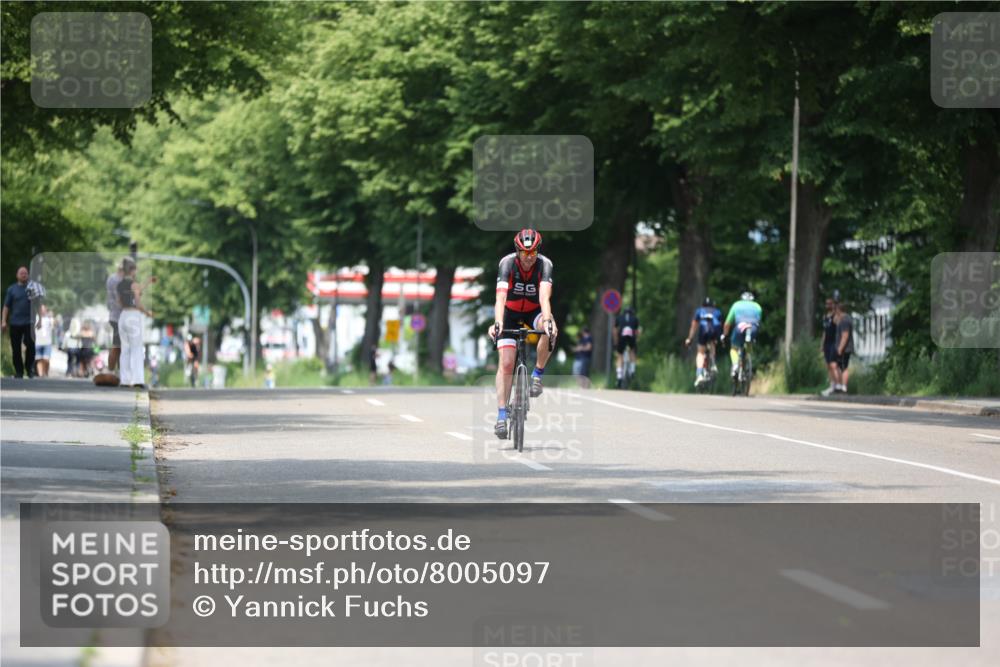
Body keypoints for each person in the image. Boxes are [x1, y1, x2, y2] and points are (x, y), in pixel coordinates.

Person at [488, 228, 557, 439]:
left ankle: (537, 374)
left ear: (538, 251)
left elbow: (545, 298)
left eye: (532, 253)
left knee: (551, 328)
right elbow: (500, 298)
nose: (528, 258)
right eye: (524, 253)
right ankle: (501, 415)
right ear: (517, 251)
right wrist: (498, 322)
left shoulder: (545, 264)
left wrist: (547, 322)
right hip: (509, 312)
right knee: (507, 363)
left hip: (534, 311)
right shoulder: (507, 263)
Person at [117, 263, 153, 387]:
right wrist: (147, 312)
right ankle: (138, 380)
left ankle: (125, 380)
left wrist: (147, 282)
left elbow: (119, 301)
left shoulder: (120, 285)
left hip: (123, 316)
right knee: (137, 349)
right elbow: (137, 301)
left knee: (125, 349)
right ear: (133, 271)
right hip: (133, 317)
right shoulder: (134, 284)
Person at [2, 266, 37, 378]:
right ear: (17, 275)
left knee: (31, 346)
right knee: (16, 348)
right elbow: (6, 307)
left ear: (28, 275)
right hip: (15, 323)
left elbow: (38, 304)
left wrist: (40, 319)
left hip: (29, 323)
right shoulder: (11, 289)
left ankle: (29, 369)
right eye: (21, 273)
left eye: (25, 273)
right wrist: (3, 321)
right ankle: (19, 371)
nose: (23, 275)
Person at [722, 290, 763, 380]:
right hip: (753, 328)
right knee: (749, 344)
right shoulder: (757, 306)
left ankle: (736, 365)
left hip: (740, 327)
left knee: (734, 348)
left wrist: (725, 335)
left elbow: (727, 323)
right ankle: (748, 361)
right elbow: (759, 322)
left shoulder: (736, 305)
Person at [685, 297, 723, 387]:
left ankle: (699, 375)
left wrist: (689, 338)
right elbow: (720, 326)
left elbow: (694, 326)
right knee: (712, 343)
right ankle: (713, 363)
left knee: (700, 353)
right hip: (714, 331)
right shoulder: (717, 312)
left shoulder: (699, 311)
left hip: (703, 330)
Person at [106, 258, 131, 373]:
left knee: (120, 345)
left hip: (114, 315)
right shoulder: (119, 280)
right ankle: (111, 371)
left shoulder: (111, 278)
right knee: (117, 345)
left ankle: (119, 372)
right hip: (119, 316)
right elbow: (120, 300)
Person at [613, 306, 640, 388]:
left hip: (621, 337)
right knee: (632, 350)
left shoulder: (619, 317)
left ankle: (619, 376)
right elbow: (637, 331)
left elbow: (614, 331)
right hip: (631, 337)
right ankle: (632, 370)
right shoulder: (635, 319)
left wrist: (616, 341)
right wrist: (636, 340)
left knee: (619, 355)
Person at [820, 296, 840, 396]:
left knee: (833, 365)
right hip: (827, 343)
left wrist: (835, 309)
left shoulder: (835, 316)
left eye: (829, 303)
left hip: (834, 342)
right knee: (828, 365)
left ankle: (838, 385)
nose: (827, 305)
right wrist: (822, 344)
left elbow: (839, 324)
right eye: (826, 303)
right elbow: (824, 331)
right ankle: (832, 385)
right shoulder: (825, 317)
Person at [834, 301, 855, 394]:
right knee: (839, 366)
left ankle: (844, 387)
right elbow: (834, 321)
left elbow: (845, 336)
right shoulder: (842, 319)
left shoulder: (845, 320)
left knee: (844, 367)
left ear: (839, 310)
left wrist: (840, 348)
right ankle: (840, 386)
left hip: (844, 349)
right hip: (843, 348)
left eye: (836, 309)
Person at [34, 304, 56, 377]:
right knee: (39, 359)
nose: (42, 311)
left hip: (47, 342)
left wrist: (52, 317)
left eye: (44, 310)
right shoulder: (35, 318)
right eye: (41, 310)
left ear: (46, 311)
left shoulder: (49, 319)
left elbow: (53, 326)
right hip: (38, 342)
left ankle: (45, 372)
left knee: (46, 359)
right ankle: (40, 375)